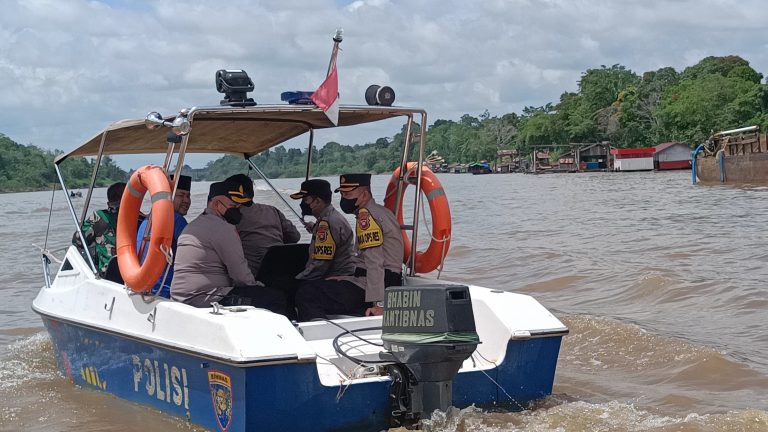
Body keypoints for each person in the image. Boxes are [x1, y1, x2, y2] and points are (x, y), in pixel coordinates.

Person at [170, 180, 286, 314]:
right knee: (275, 298)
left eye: (238, 206)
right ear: (216, 204)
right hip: (203, 297)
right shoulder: (222, 228)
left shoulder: (197, 223)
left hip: (183, 296)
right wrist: (257, 287)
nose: (238, 210)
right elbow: (240, 274)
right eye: (233, 205)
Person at [290, 179, 363, 321]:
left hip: (338, 279)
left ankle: (313, 329)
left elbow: (320, 265)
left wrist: (297, 279)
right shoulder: (327, 220)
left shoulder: (327, 223)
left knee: (303, 292)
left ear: (316, 201)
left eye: (305, 199)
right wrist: (315, 228)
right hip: (342, 276)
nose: (302, 204)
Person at [336, 174, 404, 316]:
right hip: (377, 281)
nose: (344, 199)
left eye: (348, 194)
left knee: (309, 293)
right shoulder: (377, 212)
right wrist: (347, 278)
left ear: (365, 194)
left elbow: (374, 262)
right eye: (342, 194)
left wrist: (379, 304)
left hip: (381, 284)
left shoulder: (366, 217)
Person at [225, 174, 301, 279]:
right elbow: (295, 236)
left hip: (253, 277)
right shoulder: (273, 210)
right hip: (283, 270)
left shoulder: (230, 218)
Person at [135, 174, 192, 298]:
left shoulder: (147, 220)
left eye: (188, 196)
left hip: (143, 288)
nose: (186, 201)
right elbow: (193, 254)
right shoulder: (176, 220)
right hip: (165, 290)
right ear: (169, 197)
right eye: (181, 195)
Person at [73, 182, 126, 276]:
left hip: (110, 273)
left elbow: (78, 240)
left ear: (109, 203)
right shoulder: (139, 218)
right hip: (135, 271)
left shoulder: (100, 217)